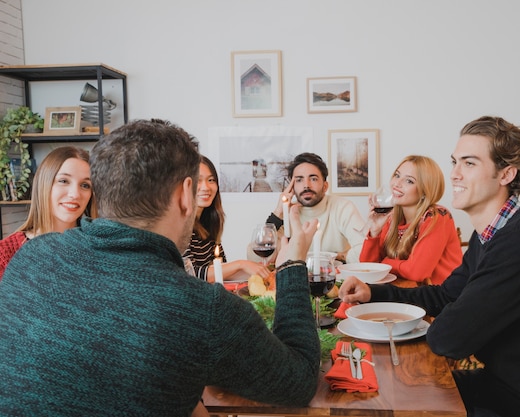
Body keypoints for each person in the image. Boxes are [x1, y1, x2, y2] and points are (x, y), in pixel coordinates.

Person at [0, 119, 321, 415]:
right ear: (185, 194)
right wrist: (292, 263)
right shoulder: (201, 308)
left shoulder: (31, 257)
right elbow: (300, 381)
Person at [339, 116, 520, 417]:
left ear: (506, 174)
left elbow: (448, 339)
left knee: (392, 400)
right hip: (503, 384)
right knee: (382, 391)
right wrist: (374, 293)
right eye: (455, 162)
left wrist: (460, 313)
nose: (455, 174)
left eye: (469, 163)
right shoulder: (491, 234)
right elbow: (446, 295)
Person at [359, 155, 462, 285]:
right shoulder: (392, 217)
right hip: (406, 291)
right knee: (352, 297)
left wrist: (386, 263)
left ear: (425, 190)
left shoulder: (438, 216)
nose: (397, 184)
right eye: (397, 175)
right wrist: (374, 231)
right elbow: (368, 269)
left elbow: (417, 272)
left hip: (441, 298)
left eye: (409, 181)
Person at [248, 152, 366, 263]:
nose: (306, 185)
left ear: (325, 186)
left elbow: (366, 251)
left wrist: (340, 257)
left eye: (313, 179)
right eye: (299, 180)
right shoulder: (287, 213)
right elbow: (256, 259)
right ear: (292, 187)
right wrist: (278, 213)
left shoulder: (343, 208)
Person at [0, 146, 96, 280]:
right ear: (44, 184)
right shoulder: (6, 254)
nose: (75, 194)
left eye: (85, 185)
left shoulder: (99, 248)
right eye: (63, 181)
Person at [183, 155, 270, 282]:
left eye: (211, 180)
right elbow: (190, 273)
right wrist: (242, 264)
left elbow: (220, 271)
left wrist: (258, 272)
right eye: (198, 180)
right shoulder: (180, 226)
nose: (206, 187)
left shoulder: (209, 221)